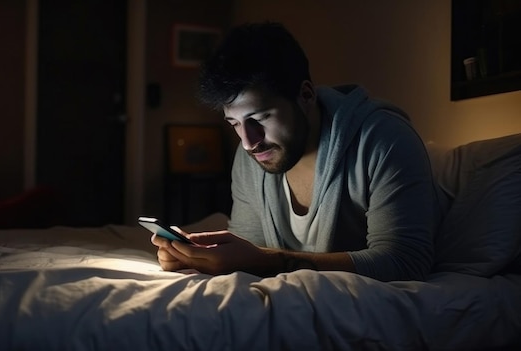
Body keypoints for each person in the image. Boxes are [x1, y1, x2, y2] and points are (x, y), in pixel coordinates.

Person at [151, 22, 443, 282]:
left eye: (261, 118)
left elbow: (406, 262)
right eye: (234, 124)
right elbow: (250, 248)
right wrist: (200, 258)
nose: (249, 141)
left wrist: (268, 262)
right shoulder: (251, 155)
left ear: (305, 95)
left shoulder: (384, 139)